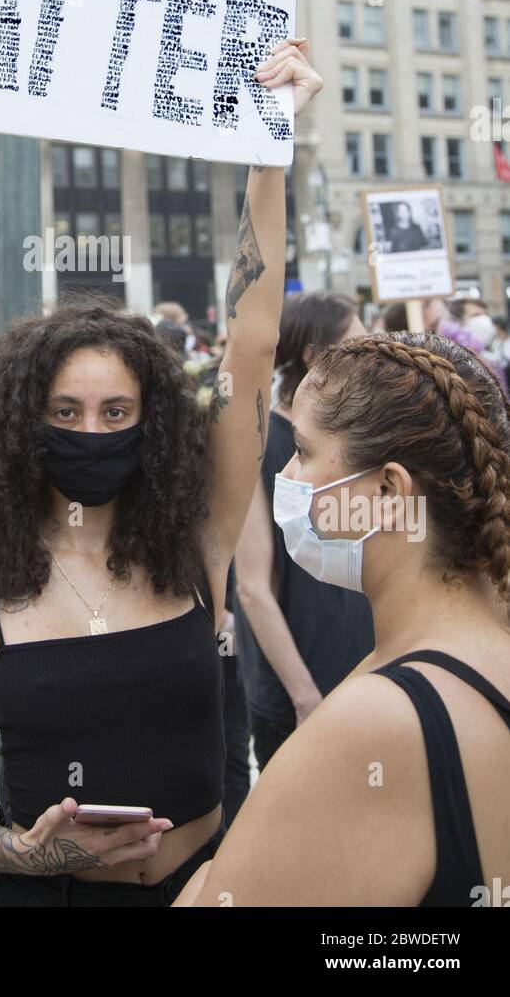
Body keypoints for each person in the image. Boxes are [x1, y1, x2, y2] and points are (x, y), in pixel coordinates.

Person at [0, 39, 323, 907]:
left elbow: (251, 338)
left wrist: (267, 148)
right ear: (24, 427)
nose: (92, 432)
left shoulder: (195, 547)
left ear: (151, 424)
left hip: (211, 891)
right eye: (67, 414)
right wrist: (23, 852)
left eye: (116, 413)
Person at [175, 330, 510, 907]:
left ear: (387, 491)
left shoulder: (380, 724)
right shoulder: (469, 650)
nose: (289, 480)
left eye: (303, 452)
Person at [233, 292, 374, 769]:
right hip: (296, 694)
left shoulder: (359, 438)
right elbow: (252, 588)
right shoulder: (261, 447)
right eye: (357, 342)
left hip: (364, 680)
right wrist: (305, 696)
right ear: (316, 356)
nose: (370, 351)